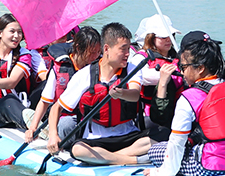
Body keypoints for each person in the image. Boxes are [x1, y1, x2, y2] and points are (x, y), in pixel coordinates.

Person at [144, 32, 225, 176]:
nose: (182, 71)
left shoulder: (189, 97)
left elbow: (176, 142)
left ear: (200, 68)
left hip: (211, 166)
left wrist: (161, 172)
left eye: (184, 67)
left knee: (155, 151)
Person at [48, 22, 153, 166]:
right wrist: (53, 135)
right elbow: (56, 108)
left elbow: (134, 94)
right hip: (96, 140)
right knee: (78, 150)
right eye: (123, 49)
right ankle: (131, 160)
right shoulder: (85, 75)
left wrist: (121, 93)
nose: (128, 54)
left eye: (129, 48)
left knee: (162, 135)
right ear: (106, 49)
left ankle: (110, 158)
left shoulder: (132, 69)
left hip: (128, 136)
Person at [24, 26, 102, 144]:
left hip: (87, 118)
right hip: (64, 119)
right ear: (77, 48)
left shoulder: (98, 67)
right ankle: (48, 131)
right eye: (91, 53)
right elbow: (45, 101)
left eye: (98, 52)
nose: (95, 57)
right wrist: (32, 128)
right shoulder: (59, 68)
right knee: (66, 124)